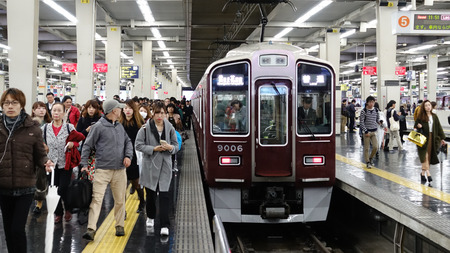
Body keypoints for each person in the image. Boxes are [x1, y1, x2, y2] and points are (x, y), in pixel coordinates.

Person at [0, 88, 53, 253]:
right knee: (8, 231)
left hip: (25, 187)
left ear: (21, 105)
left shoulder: (33, 128)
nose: (10, 106)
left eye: (14, 102)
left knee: (17, 229)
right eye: (6, 103)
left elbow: (40, 155)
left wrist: (45, 162)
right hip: (3, 186)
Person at [81, 99, 133, 241]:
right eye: (119, 108)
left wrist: (128, 156)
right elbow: (87, 145)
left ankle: (119, 225)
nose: (121, 110)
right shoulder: (98, 127)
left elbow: (128, 142)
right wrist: (84, 164)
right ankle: (91, 229)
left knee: (120, 199)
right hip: (102, 170)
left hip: (119, 170)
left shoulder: (119, 126)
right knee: (96, 199)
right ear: (114, 111)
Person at [135, 102, 179, 237]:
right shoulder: (144, 128)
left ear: (165, 113)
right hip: (150, 166)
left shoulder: (170, 128)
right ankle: (151, 216)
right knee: (151, 194)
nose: (160, 116)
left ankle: (165, 224)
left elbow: (176, 146)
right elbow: (138, 145)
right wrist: (153, 149)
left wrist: (170, 148)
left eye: (162, 113)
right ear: (152, 113)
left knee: (165, 196)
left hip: (165, 165)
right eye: (157, 113)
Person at [43, 102, 85, 223]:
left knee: (63, 188)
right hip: (51, 164)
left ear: (63, 113)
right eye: (54, 110)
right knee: (53, 189)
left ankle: (68, 208)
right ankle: (58, 213)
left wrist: (73, 144)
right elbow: (38, 142)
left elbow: (79, 141)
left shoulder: (69, 127)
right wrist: (43, 146)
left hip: (66, 163)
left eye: (59, 111)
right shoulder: (45, 128)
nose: (56, 113)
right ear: (51, 112)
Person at [120, 100, 146, 213]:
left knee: (136, 182)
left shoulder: (139, 122)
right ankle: (122, 210)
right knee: (121, 185)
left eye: (130, 108)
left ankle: (142, 200)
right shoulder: (119, 122)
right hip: (120, 155)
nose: (127, 110)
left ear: (134, 109)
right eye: (125, 108)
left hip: (135, 155)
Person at [414, 100, 446, 185]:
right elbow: (415, 126)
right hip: (422, 139)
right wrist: (418, 126)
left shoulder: (434, 116)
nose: (428, 107)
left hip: (432, 138)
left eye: (429, 105)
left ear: (431, 107)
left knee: (429, 157)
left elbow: (439, 127)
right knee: (425, 156)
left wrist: (442, 138)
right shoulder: (421, 117)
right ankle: (428, 174)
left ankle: (422, 173)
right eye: (426, 105)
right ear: (423, 108)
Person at [31, 101, 52, 215]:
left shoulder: (50, 123)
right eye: (38, 108)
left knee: (41, 178)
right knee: (35, 178)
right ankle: (36, 201)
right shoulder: (29, 124)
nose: (41, 110)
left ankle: (39, 202)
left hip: (47, 155)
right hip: (32, 155)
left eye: (43, 108)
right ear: (33, 111)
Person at [359, 96, 382, 168]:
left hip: (374, 132)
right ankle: (368, 162)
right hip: (367, 132)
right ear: (367, 103)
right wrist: (365, 131)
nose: (372, 103)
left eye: (373, 102)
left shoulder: (376, 110)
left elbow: (377, 119)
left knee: (376, 147)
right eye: (370, 102)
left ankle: (371, 158)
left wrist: (379, 122)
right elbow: (361, 122)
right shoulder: (363, 111)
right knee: (366, 148)